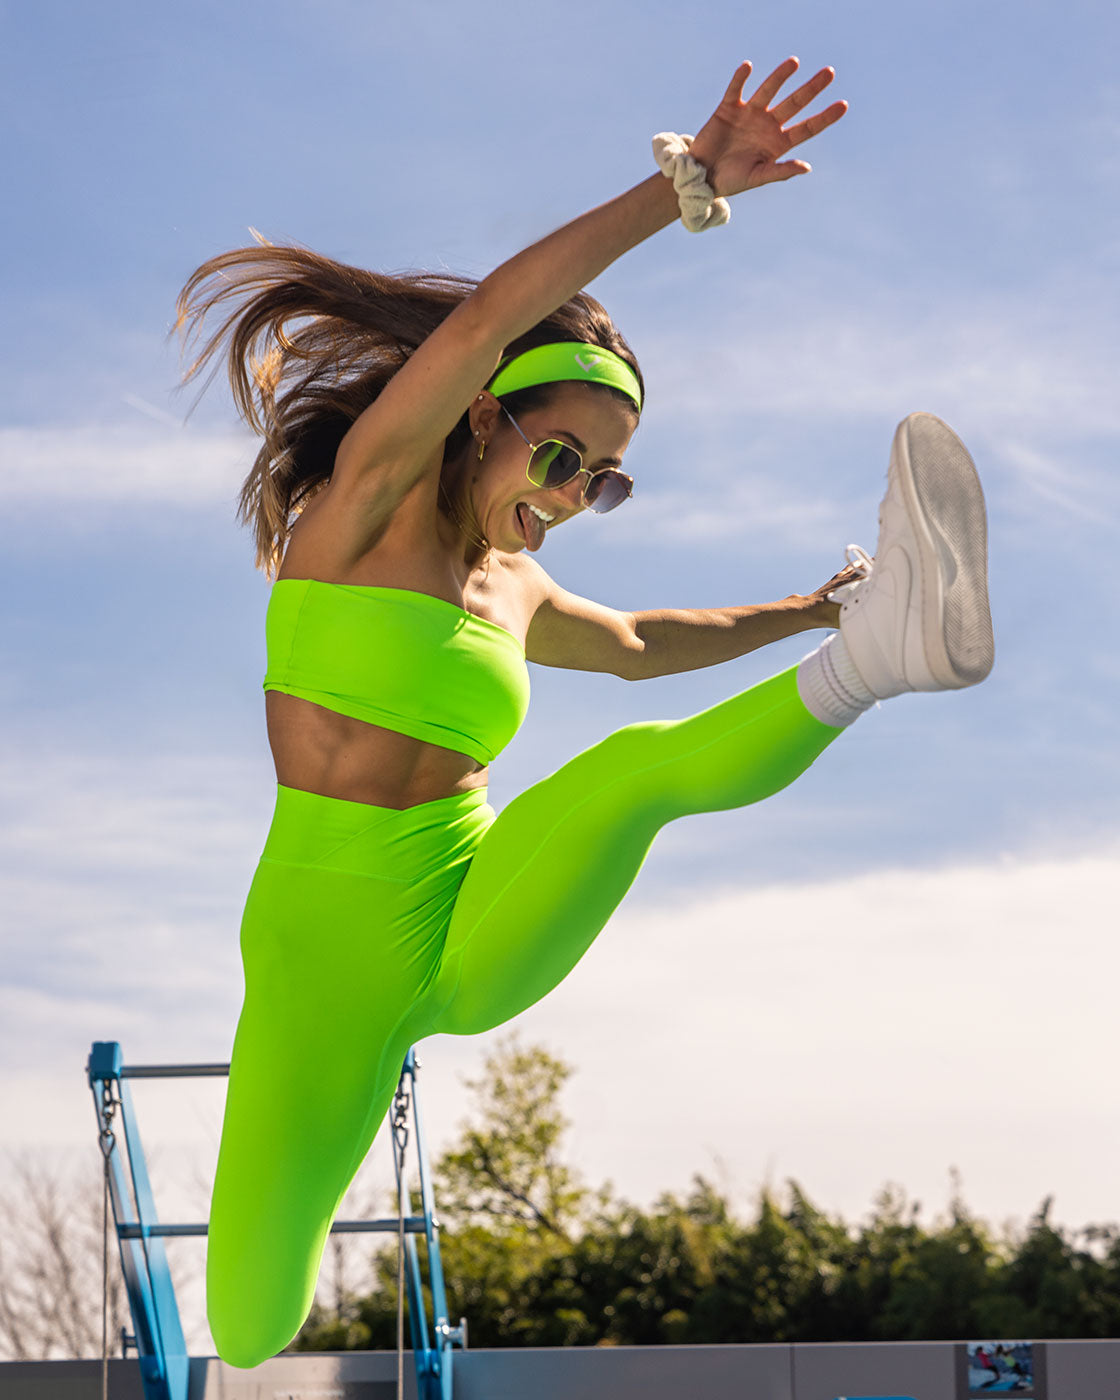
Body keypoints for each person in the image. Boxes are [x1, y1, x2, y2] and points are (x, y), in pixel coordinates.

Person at [178, 57, 994, 1368]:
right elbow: (495, 309)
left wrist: (818, 610)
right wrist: (681, 192)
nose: (565, 498)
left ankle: (884, 654)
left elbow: (633, 647)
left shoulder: (512, 586)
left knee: (629, 775)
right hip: (325, 957)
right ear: (477, 414)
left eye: (601, 486)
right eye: (559, 460)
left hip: (475, 893)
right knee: (250, 1318)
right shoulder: (364, 508)